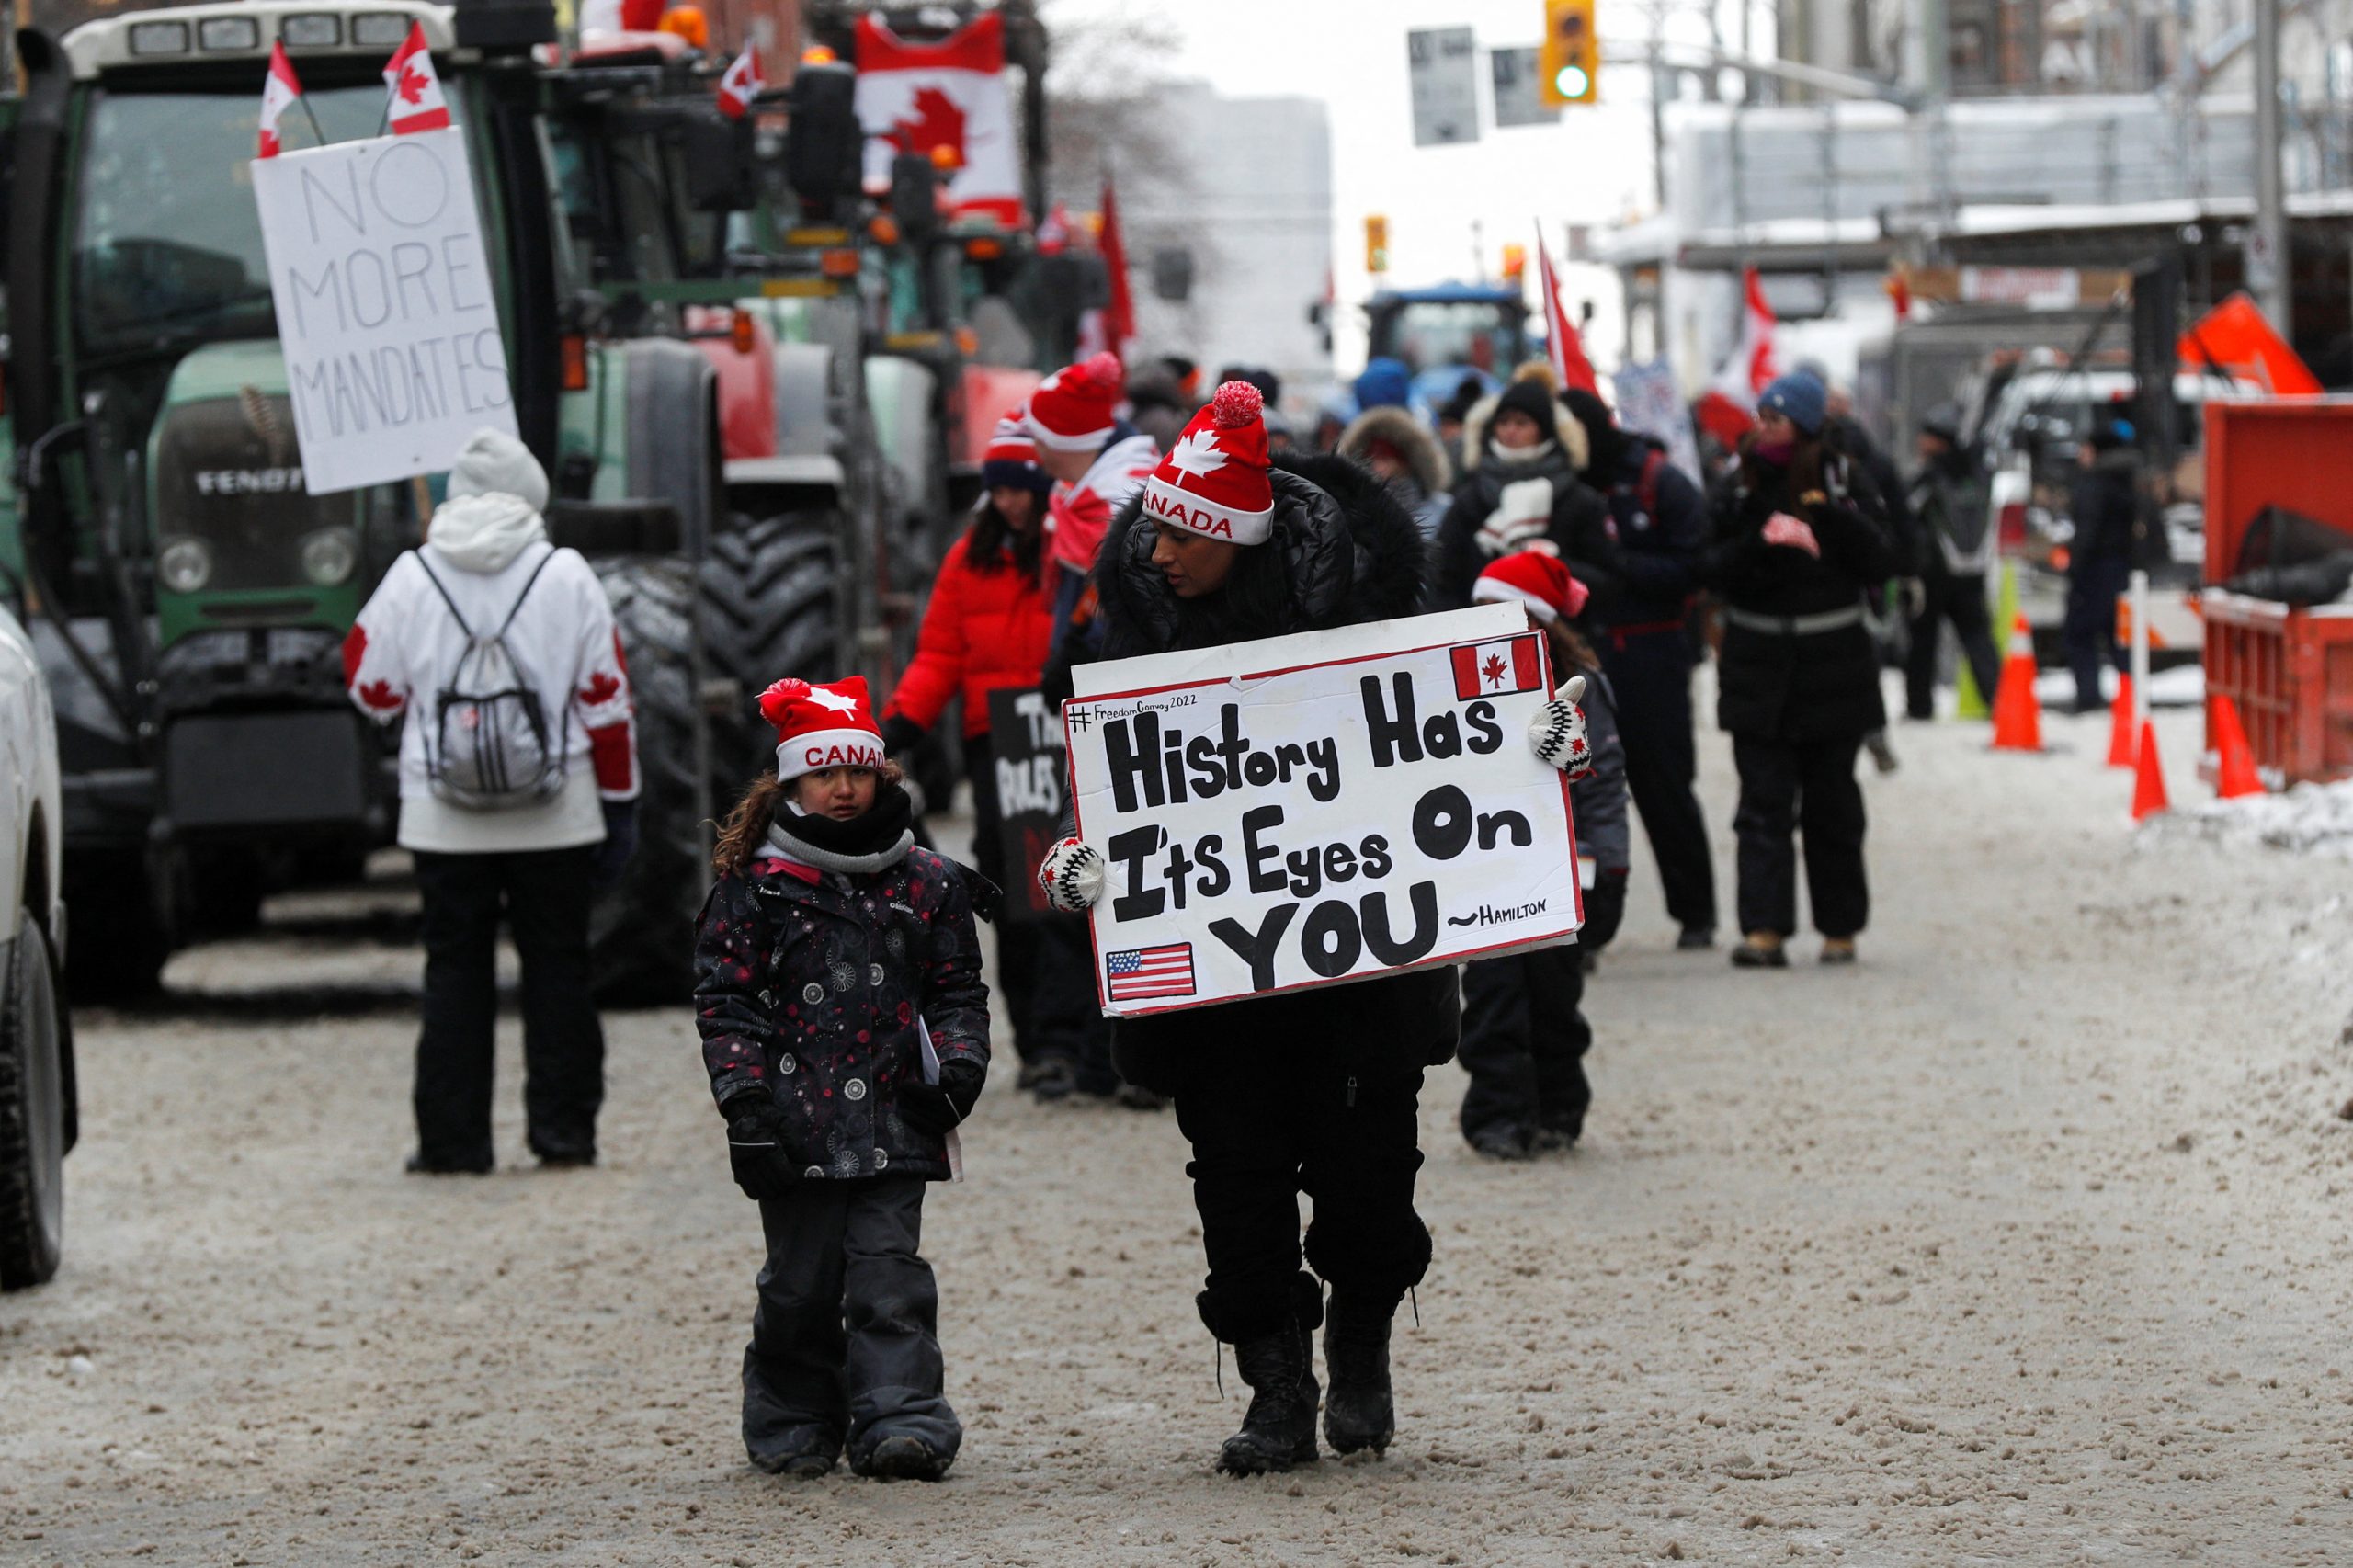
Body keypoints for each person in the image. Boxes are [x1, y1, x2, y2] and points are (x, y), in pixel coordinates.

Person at [1030, 381, 1597, 1474]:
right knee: (1234, 1184)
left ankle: (1364, 1336)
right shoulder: (1126, 632)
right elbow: (1099, 782)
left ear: (1231, 538)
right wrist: (1071, 860)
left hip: (1359, 976)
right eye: (1148, 532)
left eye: (1178, 535)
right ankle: (1275, 1385)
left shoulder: (1376, 616)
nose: (1153, 555)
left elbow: (1458, 744)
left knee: (1370, 1180)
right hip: (1215, 984)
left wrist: (1544, 750)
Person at [694, 676, 990, 1482]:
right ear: (790, 783)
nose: (844, 787)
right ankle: (794, 1417)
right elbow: (727, 1001)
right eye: (824, 773)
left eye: (858, 771)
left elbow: (958, 988)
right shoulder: (753, 889)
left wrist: (961, 1066)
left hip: (898, 1121)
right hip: (795, 1127)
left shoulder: (928, 881)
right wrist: (746, 1105)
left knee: (890, 1280)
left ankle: (903, 1419)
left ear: (881, 774)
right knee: (799, 1287)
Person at [344, 428, 640, 1173]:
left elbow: (369, 688)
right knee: (558, 968)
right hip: (558, 808)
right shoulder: (567, 574)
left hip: (443, 817)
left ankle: (453, 1143)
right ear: (533, 496)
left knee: (454, 972)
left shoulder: (413, 575)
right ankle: (564, 1133)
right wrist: (619, 803)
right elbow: (608, 702)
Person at [879, 415, 1105, 1101]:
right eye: (999, 490)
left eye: (1021, 488)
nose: (1010, 502)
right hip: (998, 748)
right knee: (1016, 902)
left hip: (1064, 737)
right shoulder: (966, 559)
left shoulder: (1070, 551)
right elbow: (941, 652)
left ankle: (1087, 1038)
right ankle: (1041, 1043)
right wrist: (901, 725)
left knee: (1075, 891)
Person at [1703, 373, 1898, 970]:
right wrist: (1762, 544)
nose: (1764, 429)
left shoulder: (1844, 479)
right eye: (1761, 417)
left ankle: (1840, 927)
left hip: (1833, 668)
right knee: (1762, 803)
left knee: (1832, 804)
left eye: (1777, 419)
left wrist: (1830, 523)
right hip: (1758, 669)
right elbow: (1709, 566)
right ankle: (1764, 928)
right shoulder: (1738, 485)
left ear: (1808, 425)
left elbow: (1884, 557)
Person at [1457, 552, 1627, 1161]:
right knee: (1494, 994)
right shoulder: (1452, 681)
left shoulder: (1582, 685)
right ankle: (1496, 1115)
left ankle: (1558, 1108)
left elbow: (1603, 785)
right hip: (1490, 866)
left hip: (1563, 868)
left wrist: (1610, 865)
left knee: (1555, 998)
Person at [1559, 387, 1720, 949]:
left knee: (1664, 784)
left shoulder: (1657, 479)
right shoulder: (1560, 484)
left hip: (1650, 653)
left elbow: (1697, 563)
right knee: (1578, 792)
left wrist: (1618, 570)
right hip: (1579, 654)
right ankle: (1582, 922)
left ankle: (1695, 912)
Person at [1025, 352, 1161, 665]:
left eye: (1038, 437)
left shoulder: (1120, 503)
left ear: (1061, 440)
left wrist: (1085, 653)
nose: (1034, 451)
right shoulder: (1074, 498)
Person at [1432, 371, 1598, 609]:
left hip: (1561, 635)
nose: (1510, 431)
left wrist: (1555, 565)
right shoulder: (1472, 497)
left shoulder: (1577, 498)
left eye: (1522, 423)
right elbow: (1443, 575)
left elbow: (1605, 581)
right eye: (1503, 422)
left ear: (1544, 429)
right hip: (1485, 634)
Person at [1903, 403, 2003, 720]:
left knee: (1923, 642)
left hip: (1932, 572)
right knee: (1978, 639)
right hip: (1971, 571)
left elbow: (1906, 514)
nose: (1921, 441)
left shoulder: (1930, 474)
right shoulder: (1977, 471)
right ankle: (2000, 702)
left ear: (1938, 440)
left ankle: (1920, 707)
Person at [2064, 417, 2143, 714]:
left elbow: (2088, 531)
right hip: (2121, 568)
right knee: (2119, 638)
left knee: (2079, 634)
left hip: (2093, 571)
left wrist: (2075, 567)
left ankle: (2088, 697)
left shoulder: (2093, 484)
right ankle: (2128, 696)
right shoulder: (2127, 479)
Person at [1336, 398, 1452, 539]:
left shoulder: (1442, 509)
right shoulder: (1352, 514)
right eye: (1371, 459)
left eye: (1386, 458)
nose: (1378, 467)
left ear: (1408, 461)